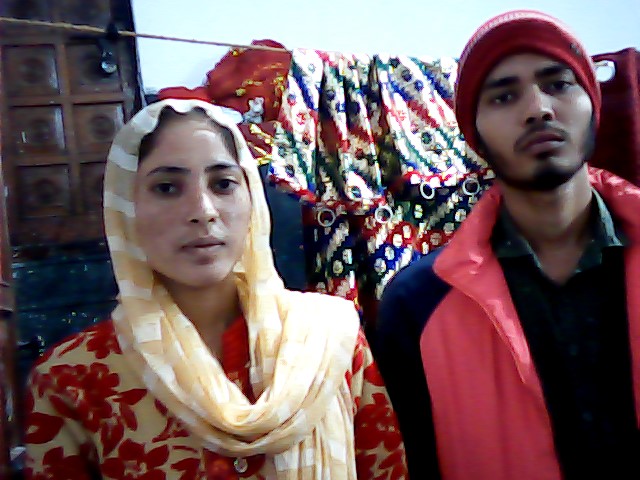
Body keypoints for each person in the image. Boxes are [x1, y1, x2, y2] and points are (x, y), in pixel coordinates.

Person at [23, 98, 408, 479]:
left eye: (223, 184)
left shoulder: (329, 340)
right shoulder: (74, 378)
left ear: (252, 199)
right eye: (167, 188)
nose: (203, 211)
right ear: (126, 209)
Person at [370, 9, 640, 480]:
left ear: (593, 104)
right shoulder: (418, 303)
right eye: (504, 95)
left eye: (558, 84)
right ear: (474, 135)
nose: (538, 109)